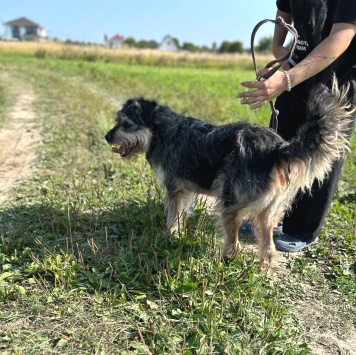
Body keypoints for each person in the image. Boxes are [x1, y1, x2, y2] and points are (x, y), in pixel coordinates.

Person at [237, 0, 356, 252]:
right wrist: (281, 53)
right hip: (297, 70)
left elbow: (343, 34)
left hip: (336, 77)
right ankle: (272, 216)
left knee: (320, 151)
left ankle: (302, 229)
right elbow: (284, 13)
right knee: (279, 143)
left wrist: (287, 78)